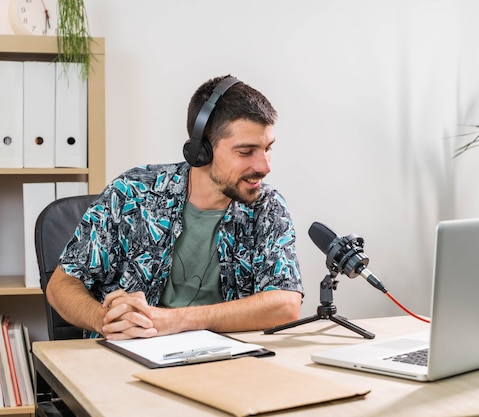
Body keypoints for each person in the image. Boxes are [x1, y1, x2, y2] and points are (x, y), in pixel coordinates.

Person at [46, 75, 304, 341]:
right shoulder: (133, 192)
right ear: (201, 150)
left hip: (226, 364)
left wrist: (175, 320)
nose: (265, 166)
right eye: (246, 152)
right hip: (128, 360)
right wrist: (106, 320)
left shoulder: (266, 206)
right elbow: (61, 285)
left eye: (267, 148)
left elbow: (285, 305)